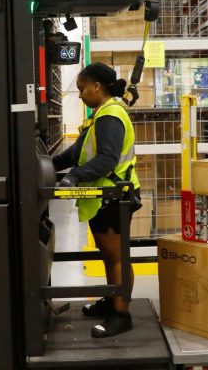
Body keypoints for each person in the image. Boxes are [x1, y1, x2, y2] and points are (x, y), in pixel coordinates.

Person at [53, 62, 140, 338]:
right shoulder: (99, 115)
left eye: (82, 89)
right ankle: (112, 299)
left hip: (114, 196)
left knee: (117, 257)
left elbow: (107, 159)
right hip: (104, 196)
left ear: (97, 86)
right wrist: (48, 166)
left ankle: (122, 314)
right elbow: (75, 153)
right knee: (109, 255)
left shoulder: (110, 115)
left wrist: (74, 176)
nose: (80, 94)